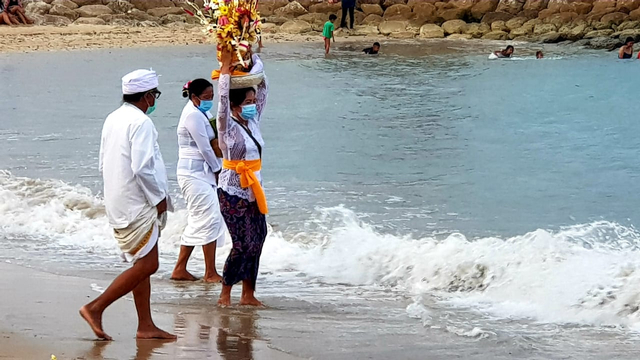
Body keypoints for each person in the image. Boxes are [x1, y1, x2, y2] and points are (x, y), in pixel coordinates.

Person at [80, 69, 176, 341]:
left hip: (119, 197)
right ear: (147, 96)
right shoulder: (141, 122)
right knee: (149, 265)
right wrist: (158, 199)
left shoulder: (113, 118)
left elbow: (102, 161)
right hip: (138, 200)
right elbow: (143, 167)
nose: (154, 100)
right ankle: (95, 307)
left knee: (142, 262)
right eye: (154, 95)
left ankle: (145, 324)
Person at [216, 48, 269, 307]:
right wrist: (226, 69)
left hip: (253, 189)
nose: (252, 105)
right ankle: (225, 293)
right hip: (232, 190)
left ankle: (248, 294)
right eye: (247, 102)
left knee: (258, 240)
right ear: (237, 104)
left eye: (252, 101)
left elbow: (264, 88)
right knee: (241, 243)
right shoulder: (227, 126)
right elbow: (222, 103)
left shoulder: (254, 122)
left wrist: (253, 56)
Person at [171, 79, 227, 283]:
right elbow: (204, 147)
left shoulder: (203, 112)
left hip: (202, 174)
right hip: (193, 173)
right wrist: (218, 168)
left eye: (211, 97)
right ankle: (209, 272)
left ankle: (182, 269)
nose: (209, 100)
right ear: (194, 97)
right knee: (209, 216)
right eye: (205, 97)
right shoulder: (192, 115)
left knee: (202, 218)